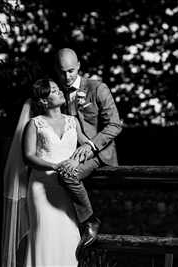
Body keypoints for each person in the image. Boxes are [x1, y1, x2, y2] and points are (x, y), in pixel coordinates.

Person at [2, 78, 96, 266]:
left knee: (69, 235)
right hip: (41, 188)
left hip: (66, 188)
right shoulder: (35, 124)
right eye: (54, 90)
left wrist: (80, 155)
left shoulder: (72, 121)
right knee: (45, 234)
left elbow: (87, 144)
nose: (60, 91)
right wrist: (54, 166)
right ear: (44, 101)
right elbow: (28, 156)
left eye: (57, 88)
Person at [54, 48, 123, 250]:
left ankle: (90, 221)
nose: (66, 77)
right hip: (70, 151)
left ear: (79, 67)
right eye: (61, 72)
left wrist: (91, 146)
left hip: (98, 151)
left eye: (70, 71)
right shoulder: (57, 92)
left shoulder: (97, 88)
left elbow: (115, 125)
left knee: (68, 175)